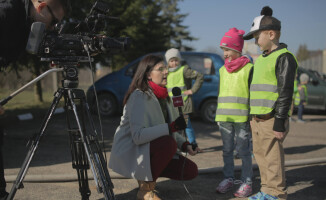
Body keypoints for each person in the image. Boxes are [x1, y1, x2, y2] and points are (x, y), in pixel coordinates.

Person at [0, 0, 68, 198]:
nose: (53, 27)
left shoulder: (28, 23)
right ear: (41, 6)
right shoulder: (7, 11)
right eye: (54, 21)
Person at [108, 55, 198, 200]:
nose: (166, 72)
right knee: (168, 144)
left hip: (153, 148)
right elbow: (138, 136)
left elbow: (169, 128)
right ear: (148, 74)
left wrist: (185, 144)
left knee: (190, 171)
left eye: (166, 68)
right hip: (133, 150)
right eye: (160, 69)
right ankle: (145, 191)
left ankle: (147, 174)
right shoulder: (138, 96)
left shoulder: (165, 96)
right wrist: (171, 128)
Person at [243, 6, 297, 200]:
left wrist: (280, 121)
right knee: (261, 157)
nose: (256, 42)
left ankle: (277, 194)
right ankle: (266, 190)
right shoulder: (261, 60)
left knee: (273, 159)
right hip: (258, 119)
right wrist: (251, 117)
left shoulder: (284, 57)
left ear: (271, 34)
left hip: (272, 118)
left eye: (257, 37)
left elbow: (285, 92)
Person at [214, 28, 254, 198]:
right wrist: (218, 116)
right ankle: (228, 178)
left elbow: (253, 94)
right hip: (224, 118)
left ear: (238, 49)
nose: (225, 54)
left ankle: (247, 182)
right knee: (227, 150)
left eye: (228, 50)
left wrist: (252, 117)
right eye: (223, 50)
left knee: (244, 151)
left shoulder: (249, 68)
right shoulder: (222, 70)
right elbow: (221, 93)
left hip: (242, 118)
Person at [0, 0, 69, 69]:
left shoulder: (26, 26)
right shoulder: (5, 13)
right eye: (53, 21)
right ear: (41, 7)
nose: (52, 28)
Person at [165, 48, 204, 152]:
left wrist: (192, 90)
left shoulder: (184, 70)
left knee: (187, 125)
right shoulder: (165, 72)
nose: (174, 63)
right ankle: (178, 145)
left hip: (184, 104)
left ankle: (193, 145)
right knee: (174, 126)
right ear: (168, 62)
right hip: (171, 105)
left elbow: (200, 76)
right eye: (171, 61)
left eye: (176, 60)